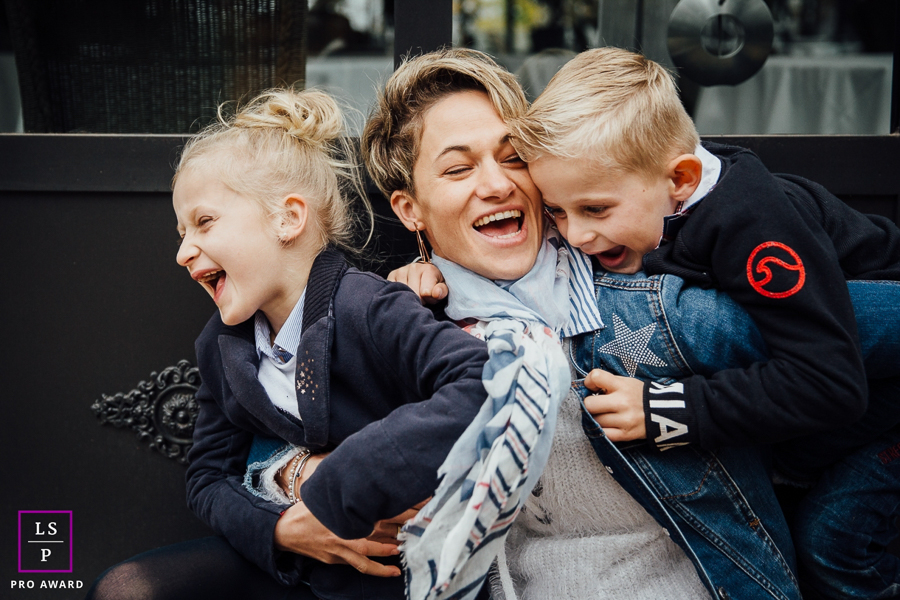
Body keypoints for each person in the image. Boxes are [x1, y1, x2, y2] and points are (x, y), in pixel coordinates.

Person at [363, 47, 802, 600]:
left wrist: (676, 409)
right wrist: (295, 485)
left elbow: (839, 342)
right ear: (409, 209)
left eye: (515, 156)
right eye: (458, 168)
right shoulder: (405, 326)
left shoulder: (646, 289)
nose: (497, 185)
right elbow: (267, 427)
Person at [506, 46, 900, 598]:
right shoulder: (646, 196)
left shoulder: (757, 233)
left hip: (880, 398)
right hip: (822, 407)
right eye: (557, 211)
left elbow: (829, 383)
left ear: (682, 178)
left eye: (594, 210)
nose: (575, 236)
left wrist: (665, 409)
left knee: (831, 548)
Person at [85, 88, 492, 600]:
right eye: (181, 231)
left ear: (288, 218)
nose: (184, 252)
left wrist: (343, 484)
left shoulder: (371, 306)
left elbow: (480, 380)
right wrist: (281, 530)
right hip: (294, 557)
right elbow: (208, 479)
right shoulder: (220, 344)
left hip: (391, 569)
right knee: (124, 590)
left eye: (204, 222)